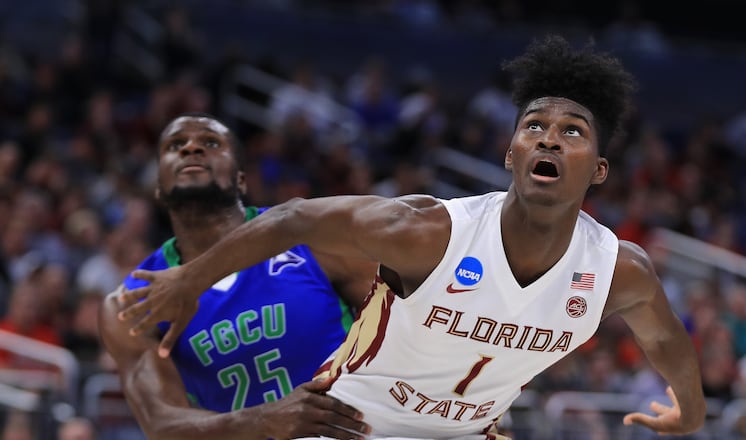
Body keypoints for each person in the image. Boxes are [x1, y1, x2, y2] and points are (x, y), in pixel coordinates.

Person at [116, 36, 707, 438]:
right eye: (534, 126)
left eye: (572, 131)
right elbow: (296, 216)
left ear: (599, 170)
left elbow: (664, 339)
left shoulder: (617, 270)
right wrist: (190, 280)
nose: (549, 139)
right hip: (352, 424)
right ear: (511, 153)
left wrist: (691, 409)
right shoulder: (428, 232)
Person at [98, 113, 376, 439]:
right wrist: (261, 420)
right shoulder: (132, 301)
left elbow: (397, 320)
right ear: (159, 187)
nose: (191, 149)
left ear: (241, 179)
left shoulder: (312, 239)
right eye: (176, 145)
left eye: (211, 142)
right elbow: (162, 425)